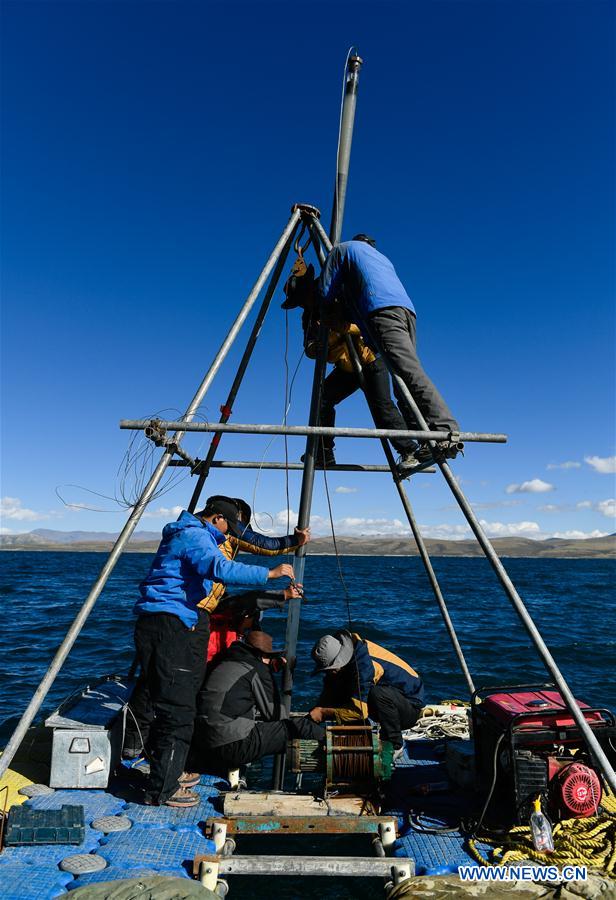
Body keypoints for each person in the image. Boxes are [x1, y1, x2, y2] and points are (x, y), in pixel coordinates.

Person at [128, 499, 298, 808]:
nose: (228, 536)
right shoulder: (195, 536)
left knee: (175, 701)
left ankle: (167, 771)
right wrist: (269, 575)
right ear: (217, 518)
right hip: (171, 624)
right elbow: (219, 567)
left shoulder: (190, 533)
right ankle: (162, 789)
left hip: (173, 621)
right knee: (177, 709)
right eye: (227, 528)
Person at [318, 234, 461, 466]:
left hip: (381, 311)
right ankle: (423, 439)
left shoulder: (342, 249)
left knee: (409, 373)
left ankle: (445, 432)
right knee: (402, 379)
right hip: (406, 311)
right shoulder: (380, 258)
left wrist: (326, 315)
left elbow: (325, 291)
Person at [281, 264, 417, 470]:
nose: (302, 304)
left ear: (310, 289)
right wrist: (314, 348)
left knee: (382, 407)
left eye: (302, 298)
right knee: (322, 399)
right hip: (346, 368)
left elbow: (366, 322)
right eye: (298, 302)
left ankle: (408, 451)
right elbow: (308, 347)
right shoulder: (308, 316)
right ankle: (324, 452)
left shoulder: (337, 296)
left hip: (368, 359)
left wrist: (343, 327)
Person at [196, 631, 324, 770]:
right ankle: (338, 747)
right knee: (300, 726)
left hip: (204, 741)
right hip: (233, 745)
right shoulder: (257, 668)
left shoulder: (224, 662)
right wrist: (269, 674)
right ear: (262, 656)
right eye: (269, 657)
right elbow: (276, 716)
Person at [309, 629, 424, 760]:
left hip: (408, 710)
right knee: (343, 687)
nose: (330, 672)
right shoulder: (346, 662)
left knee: (376, 694)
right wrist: (317, 710)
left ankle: (395, 745)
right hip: (388, 705)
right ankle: (360, 739)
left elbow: (360, 712)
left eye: (331, 669)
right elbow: (330, 689)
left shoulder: (364, 667)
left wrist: (324, 713)